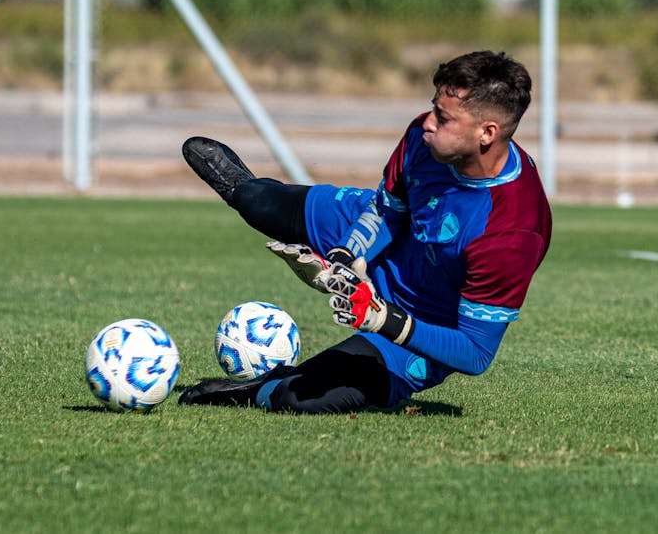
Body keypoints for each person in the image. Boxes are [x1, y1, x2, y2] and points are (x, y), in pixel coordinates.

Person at [177, 50, 553, 414]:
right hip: (397, 234)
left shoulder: (512, 233)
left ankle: (260, 389)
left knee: (299, 398)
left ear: (486, 133)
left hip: (426, 319)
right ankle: (244, 189)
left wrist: (384, 319)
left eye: (444, 118)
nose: (428, 122)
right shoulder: (426, 141)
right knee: (258, 204)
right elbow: (386, 210)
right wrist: (343, 256)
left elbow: (475, 353)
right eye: (433, 108)